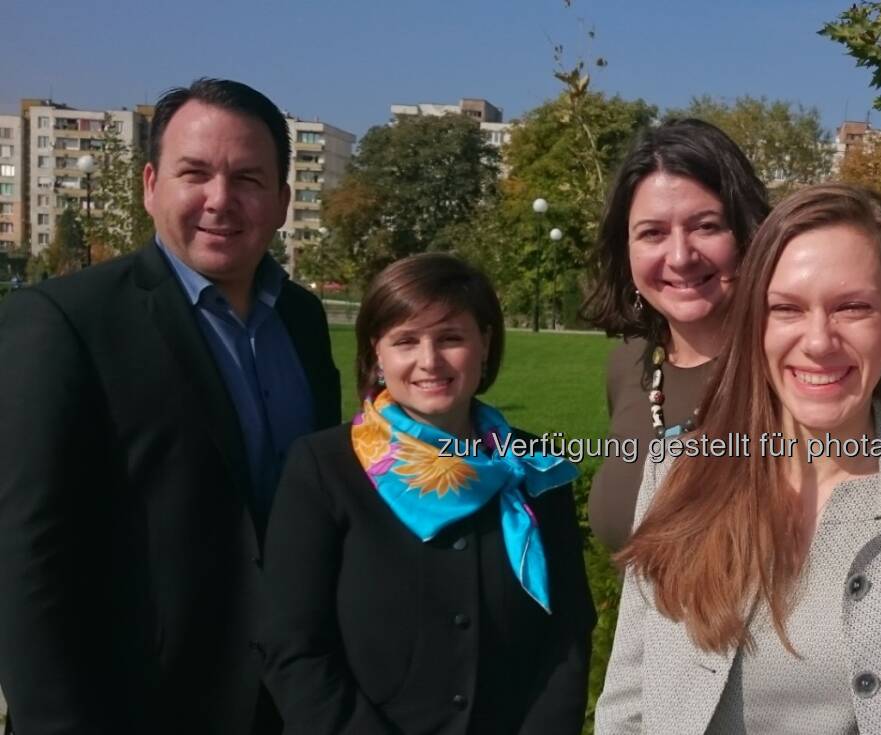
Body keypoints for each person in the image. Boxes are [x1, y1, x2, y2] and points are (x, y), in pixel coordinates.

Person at [596, 184, 881, 734]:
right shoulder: (675, 470)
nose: (818, 341)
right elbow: (627, 705)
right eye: (786, 308)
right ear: (755, 324)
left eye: (852, 307)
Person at [0, 78, 340, 735]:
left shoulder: (303, 319)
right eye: (196, 173)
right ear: (151, 185)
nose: (220, 199)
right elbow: (24, 560)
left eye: (247, 177)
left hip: (288, 703)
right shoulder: (63, 323)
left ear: (281, 201)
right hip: (134, 708)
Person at [261, 253, 594, 734]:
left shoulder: (532, 467)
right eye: (406, 341)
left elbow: (567, 637)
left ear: (484, 343)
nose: (429, 361)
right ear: (377, 352)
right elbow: (294, 647)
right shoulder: (323, 469)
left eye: (451, 338)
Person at [581, 118, 771, 551]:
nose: (681, 256)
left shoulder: (794, 371)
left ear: (746, 233)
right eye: (653, 233)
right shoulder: (628, 366)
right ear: (624, 249)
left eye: (706, 226)